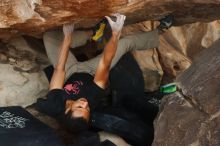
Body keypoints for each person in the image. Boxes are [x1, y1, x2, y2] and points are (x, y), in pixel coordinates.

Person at [36, 13, 173, 134]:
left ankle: (92, 34)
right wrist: (115, 34)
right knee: (125, 43)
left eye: (79, 107)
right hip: (91, 71)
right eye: (87, 109)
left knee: (50, 37)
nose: (85, 104)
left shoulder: (54, 105)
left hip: (69, 72)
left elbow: (60, 69)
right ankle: (159, 32)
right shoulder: (93, 97)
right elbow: (105, 63)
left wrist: (68, 36)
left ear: (67, 110)